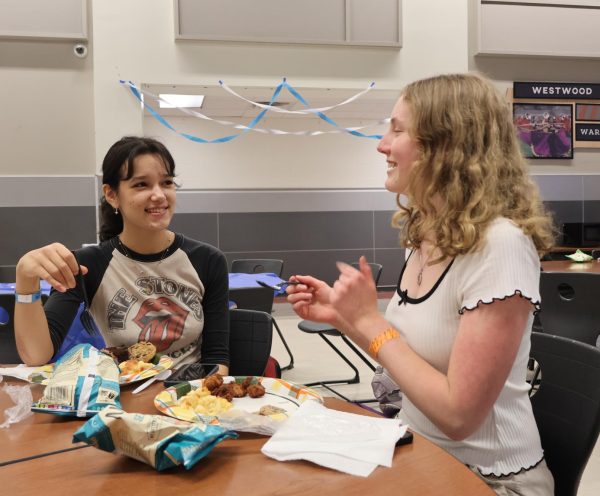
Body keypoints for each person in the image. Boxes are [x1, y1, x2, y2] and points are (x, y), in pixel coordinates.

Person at [287, 73, 555, 495]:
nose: (382, 145)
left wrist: (372, 323)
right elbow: (409, 357)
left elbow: (458, 416)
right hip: (423, 458)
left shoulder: (501, 245)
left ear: (445, 146)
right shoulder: (429, 235)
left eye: (398, 129)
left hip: (487, 480)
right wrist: (346, 319)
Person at [14, 136, 229, 374]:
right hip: (121, 402)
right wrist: (25, 279)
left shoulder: (208, 260)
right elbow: (36, 356)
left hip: (189, 400)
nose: (159, 195)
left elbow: (217, 362)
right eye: (141, 185)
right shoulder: (87, 264)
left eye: (166, 182)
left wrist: (195, 405)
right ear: (112, 194)